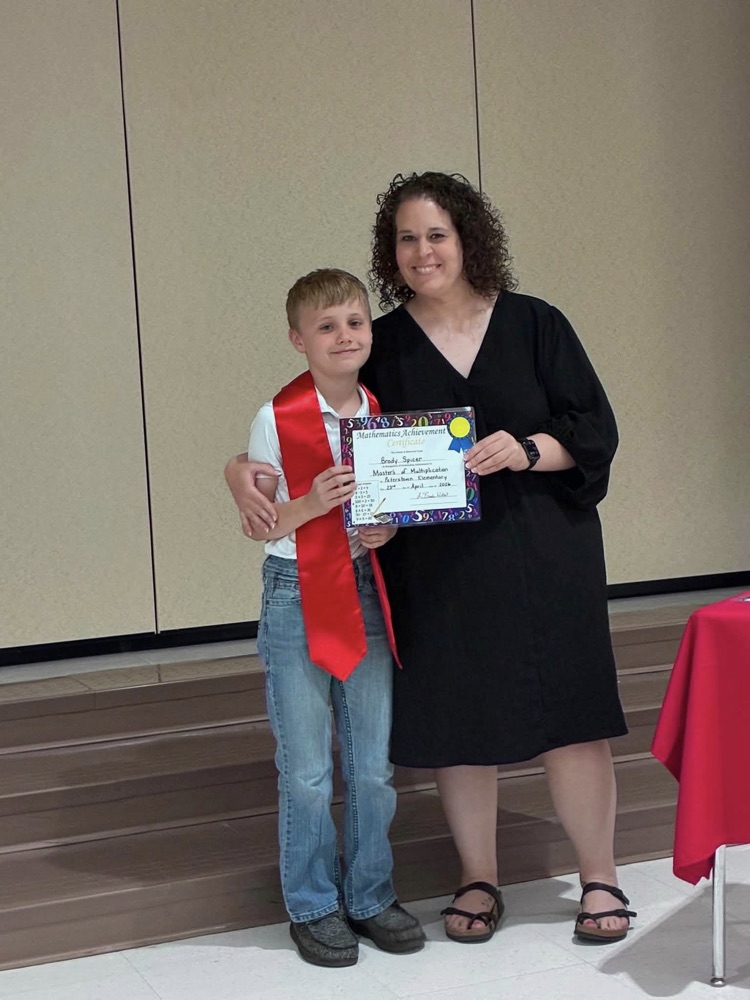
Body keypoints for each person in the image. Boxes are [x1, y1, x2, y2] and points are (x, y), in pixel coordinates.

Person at [227, 174, 636, 945]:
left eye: (437, 234)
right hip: (438, 569)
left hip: (548, 557)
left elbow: (594, 430)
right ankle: (478, 877)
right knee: (457, 720)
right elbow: (314, 416)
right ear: (392, 253)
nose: (423, 251)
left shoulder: (535, 323)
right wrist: (236, 466)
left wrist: (525, 448)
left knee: (573, 718)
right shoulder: (380, 343)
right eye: (407, 239)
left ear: (468, 238)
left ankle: (599, 878)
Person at [244, 268, 425, 967]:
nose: (344, 336)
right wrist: (310, 504)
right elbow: (262, 524)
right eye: (326, 326)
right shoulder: (276, 418)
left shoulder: (380, 410)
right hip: (295, 592)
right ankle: (313, 903)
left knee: (373, 765)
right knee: (307, 769)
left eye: (355, 322)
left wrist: (387, 528)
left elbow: (392, 501)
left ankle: (371, 894)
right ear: (299, 340)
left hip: (363, 588)